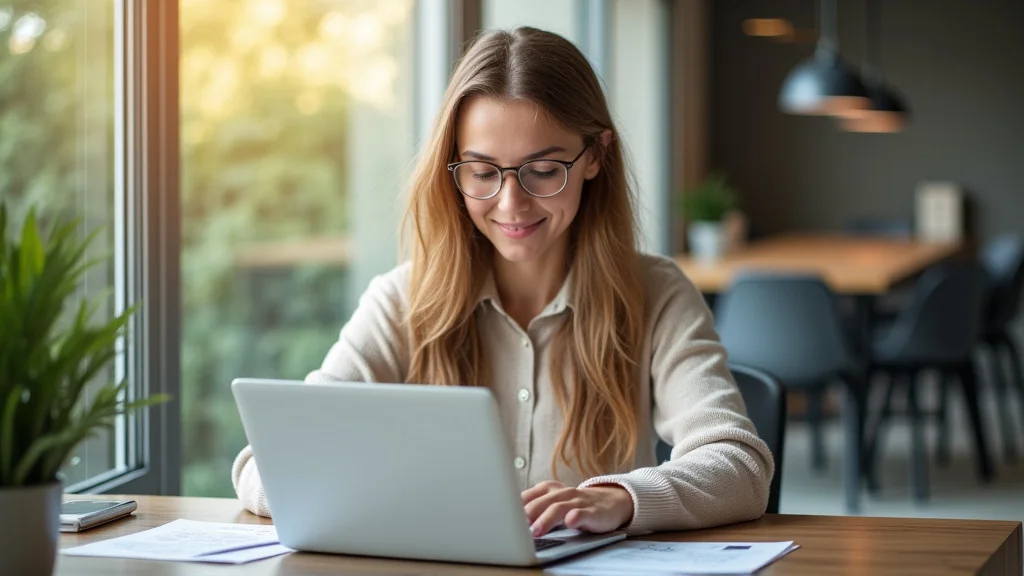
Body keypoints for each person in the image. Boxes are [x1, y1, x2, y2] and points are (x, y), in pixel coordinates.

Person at [232, 26, 773, 537]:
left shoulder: (657, 293)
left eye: (543, 171)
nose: (511, 204)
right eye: (483, 172)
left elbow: (740, 465)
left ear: (596, 157)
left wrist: (623, 497)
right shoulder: (403, 299)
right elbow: (264, 463)